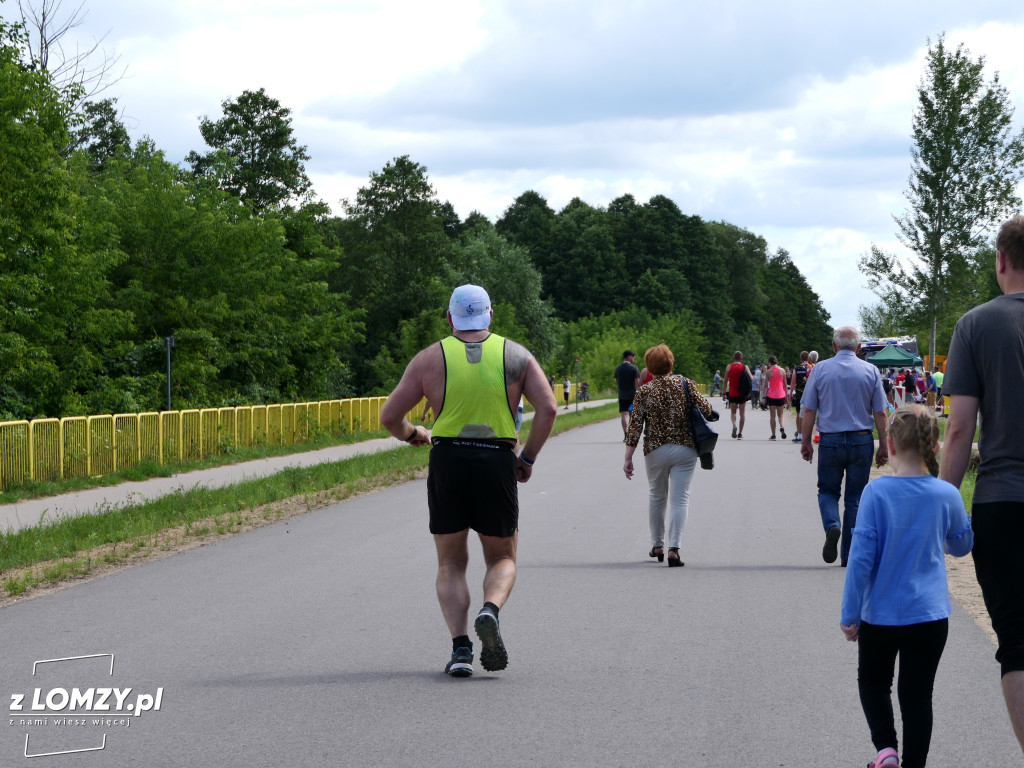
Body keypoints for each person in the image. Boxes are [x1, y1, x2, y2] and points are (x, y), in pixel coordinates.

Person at [379, 284, 558, 678]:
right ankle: (489, 610)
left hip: (448, 459)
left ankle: (461, 649)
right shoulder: (516, 356)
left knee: (451, 562)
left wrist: (414, 434)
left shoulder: (429, 358)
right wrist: (527, 457)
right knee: (503, 557)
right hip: (496, 459)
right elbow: (548, 408)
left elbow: (390, 416)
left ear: (449, 319)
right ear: (490, 316)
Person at [841, 405, 973, 768]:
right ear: (935, 445)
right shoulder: (945, 494)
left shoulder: (876, 493)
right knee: (917, 697)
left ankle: (886, 751)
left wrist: (850, 613)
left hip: (879, 615)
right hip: (929, 616)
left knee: (873, 683)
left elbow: (861, 559)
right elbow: (961, 546)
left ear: (890, 445)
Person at [940, 215, 1024, 753]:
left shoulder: (977, 325)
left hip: (1004, 502)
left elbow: (958, 431)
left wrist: (941, 507)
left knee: (1016, 644)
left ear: (1000, 260)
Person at [799, 326, 889, 566]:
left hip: (831, 440)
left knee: (828, 491)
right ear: (859, 348)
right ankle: (849, 554)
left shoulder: (820, 370)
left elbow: (809, 409)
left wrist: (806, 441)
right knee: (856, 498)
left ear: (834, 346)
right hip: (861, 440)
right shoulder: (871, 371)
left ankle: (832, 525)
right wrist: (884, 446)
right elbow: (880, 412)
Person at [623, 344, 716, 567]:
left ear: (648, 367)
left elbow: (635, 427)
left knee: (657, 496)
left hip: (655, 450)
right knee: (680, 498)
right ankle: (675, 548)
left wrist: (628, 457)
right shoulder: (685, 384)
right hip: (685, 449)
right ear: (671, 364)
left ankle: (657, 545)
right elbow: (706, 409)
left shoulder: (644, 392)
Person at [723, 351, 753, 439]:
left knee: (733, 412)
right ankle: (740, 433)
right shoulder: (744, 367)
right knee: (742, 413)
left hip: (732, 393)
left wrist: (724, 393)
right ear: (741, 358)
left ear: (733, 358)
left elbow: (725, 381)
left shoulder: (729, 367)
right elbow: (751, 378)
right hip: (742, 393)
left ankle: (734, 425)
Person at [614, 350, 641, 438]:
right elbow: (637, 383)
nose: (634, 358)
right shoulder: (634, 368)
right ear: (629, 357)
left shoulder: (618, 368)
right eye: (633, 356)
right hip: (632, 396)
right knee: (631, 413)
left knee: (624, 414)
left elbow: (617, 382)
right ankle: (631, 433)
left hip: (622, 396)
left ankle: (626, 433)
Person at [764, 355, 789, 440]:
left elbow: (765, 386)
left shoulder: (768, 372)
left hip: (771, 395)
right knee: (781, 414)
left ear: (769, 362)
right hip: (781, 395)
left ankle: (773, 435)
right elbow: (785, 385)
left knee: (772, 416)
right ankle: (781, 426)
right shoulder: (782, 371)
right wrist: (786, 396)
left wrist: (764, 397)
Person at [790, 352, 811, 442]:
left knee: (799, 413)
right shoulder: (810, 367)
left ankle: (799, 435)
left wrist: (790, 393)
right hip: (809, 393)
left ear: (800, 358)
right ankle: (807, 434)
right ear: (808, 358)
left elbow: (793, 382)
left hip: (799, 393)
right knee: (808, 413)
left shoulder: (797, 368)